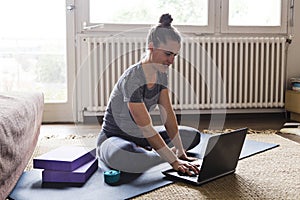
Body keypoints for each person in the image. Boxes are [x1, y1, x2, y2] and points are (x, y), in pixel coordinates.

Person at [97, 14, 201, 175]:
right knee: (126, 156)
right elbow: (146, 128)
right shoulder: (133, 79)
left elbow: (168, 115)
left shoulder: (161, 74)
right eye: (168, 54)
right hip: (114, 138)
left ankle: (154, 153)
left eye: (175, 55)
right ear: (151, 47)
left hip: (139, 138)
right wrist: (173, 161)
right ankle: (159, 155)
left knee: (193, 136)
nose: (171, 61)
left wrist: (180, 151)